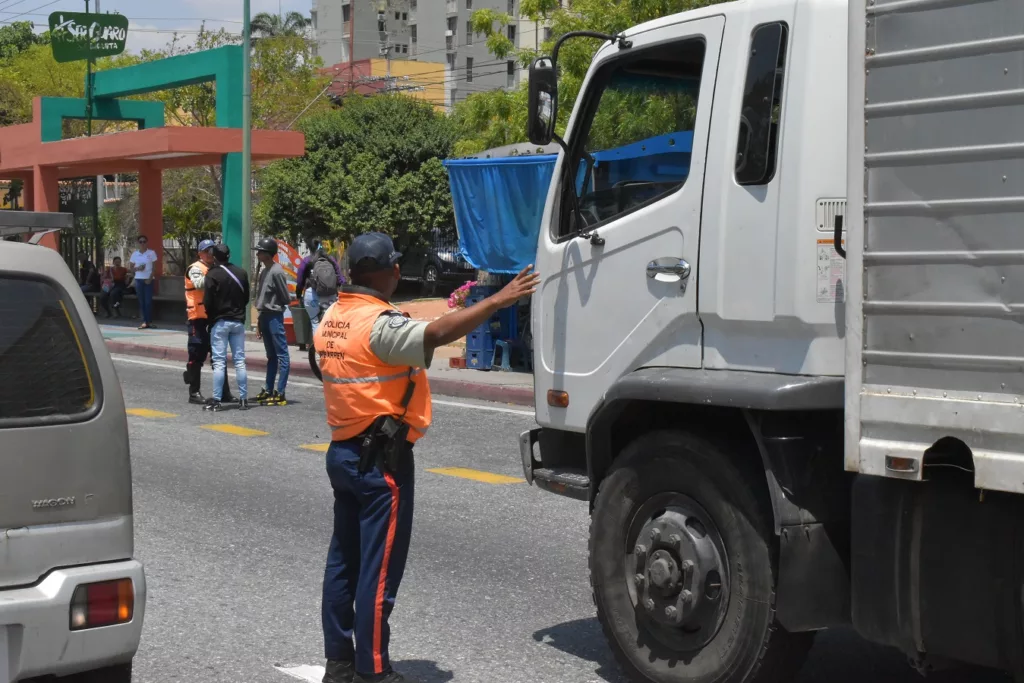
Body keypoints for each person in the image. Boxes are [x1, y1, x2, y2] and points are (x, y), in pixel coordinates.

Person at [314, 232, 539, 683]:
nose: (401, 269)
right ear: (385, 272)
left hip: (343, 452)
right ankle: (373, 671)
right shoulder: (376, 325)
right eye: (396, 264)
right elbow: (435, 333)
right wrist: (497, 300)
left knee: (344, 562)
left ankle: (339, 663)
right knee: (377, 573)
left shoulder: (333, 317)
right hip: (381, 462)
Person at [183, 240, 236, 405]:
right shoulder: (195, 268)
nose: (210, 254)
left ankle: (225, 393)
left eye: (212, 251)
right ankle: (194, 393)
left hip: (213, 318)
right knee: (196, 354)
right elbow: (199, 284)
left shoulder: (216, 268)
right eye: (206, 251)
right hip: (197, 319)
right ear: (199, 253)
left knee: (218, 356)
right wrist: (218, 279)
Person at [203, 243, 250, 412]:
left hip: (220, 322)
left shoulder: (212, 274)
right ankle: (244, 399)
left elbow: (207, 301)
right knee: (239, 361)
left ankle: (217, 400)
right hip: (238, 322)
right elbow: (246, 298)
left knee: (219, 362)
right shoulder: (241, 273)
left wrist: (211, 317)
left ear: (214, 257)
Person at [253, 237, 292, 407]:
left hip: (275, 315)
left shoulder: (277, 271)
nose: (258, 254)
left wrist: (274, 306)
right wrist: (259, 321)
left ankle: (280, 392)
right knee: (271, 356)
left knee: (282, 355)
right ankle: (268, 388)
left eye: (260, 251)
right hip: (265, 315)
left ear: (268, 254)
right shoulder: (264, 271)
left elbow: (285, 297)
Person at [297, 240, 343, 338]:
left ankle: (318, 349)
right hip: (330, 295)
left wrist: (298, 294)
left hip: (312, 294)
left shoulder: (307, 260)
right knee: (329, 323)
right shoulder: (331, 259)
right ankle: (330, 349)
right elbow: (340, 278)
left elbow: (300, 280)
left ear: (309, 248)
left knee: (315, 322)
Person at [129, 235, 158, 329]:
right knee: (142, 301)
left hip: (148, 280)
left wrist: (150, 278)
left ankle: (149, 321)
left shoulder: (151, 253)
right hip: (138, 279)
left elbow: (154, 268)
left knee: (148, 301)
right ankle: (145, 321)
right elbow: (131, 269)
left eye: (144, 241)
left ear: (147, 242)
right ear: (138, 243)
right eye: (140, 242)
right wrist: (138, 268)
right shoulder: (135, 254)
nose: (142, 243)